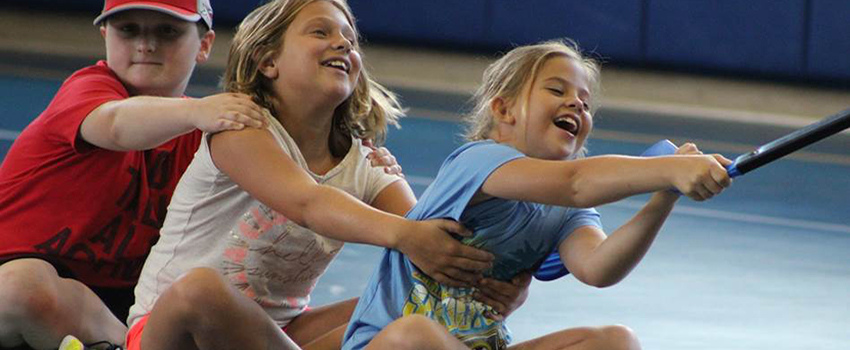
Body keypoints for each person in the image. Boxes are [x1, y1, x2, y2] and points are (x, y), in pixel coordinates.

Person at [122, 1, 528, 350]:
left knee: (409, 301)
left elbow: (432, 231)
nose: (342, 43)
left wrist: (496, 279)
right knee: (200, 290)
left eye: (349, 39)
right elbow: (308, 204)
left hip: (282, 332)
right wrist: (405, 235)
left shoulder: (363, 162)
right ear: (268, 61)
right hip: (169, 330)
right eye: (320, 31)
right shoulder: (240, 126)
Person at [0, 0, 398, 349]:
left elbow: (293, 188)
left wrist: (364, 165)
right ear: (105, 34)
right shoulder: (93, 90)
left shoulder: (220, 128)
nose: (146, 44)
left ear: (205, 44)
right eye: (128, 30)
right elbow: (117, 125)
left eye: (168, 32)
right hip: (30, 278)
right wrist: (196, 112)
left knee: (389, 304)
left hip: (126, 299)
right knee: (24, 287)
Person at [341, 39, 734, 350]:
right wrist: (669, 168)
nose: (576, 103)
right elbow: (576, 183)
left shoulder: (562, 211)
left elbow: (599, 268)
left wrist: (664, 195)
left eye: (585, 101)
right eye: (556, 89)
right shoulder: (476, 162)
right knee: (415, 335)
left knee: (616, 341)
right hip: (389, 343)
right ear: (504, 109)